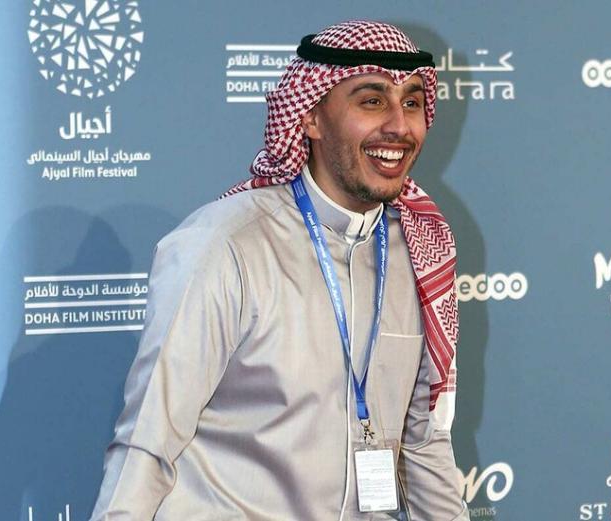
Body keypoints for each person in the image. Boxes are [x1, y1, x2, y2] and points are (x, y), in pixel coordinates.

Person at [89, 20, 469, 521]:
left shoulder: (420, 252)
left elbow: (422, 444)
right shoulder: (226, 245)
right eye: (372, 101)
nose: (400, 126)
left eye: (412, 102)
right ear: (310, 117)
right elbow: (147, 443)